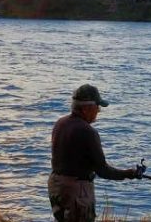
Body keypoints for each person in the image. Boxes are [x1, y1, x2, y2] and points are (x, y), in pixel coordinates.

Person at [48, 84, 144, 222]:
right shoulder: (88, 132)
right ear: (86, 108)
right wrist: (130, 173)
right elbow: (103, 171)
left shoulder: (60, 123)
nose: (98, 110)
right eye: (97, 106)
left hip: (56, 186)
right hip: (77, 191)